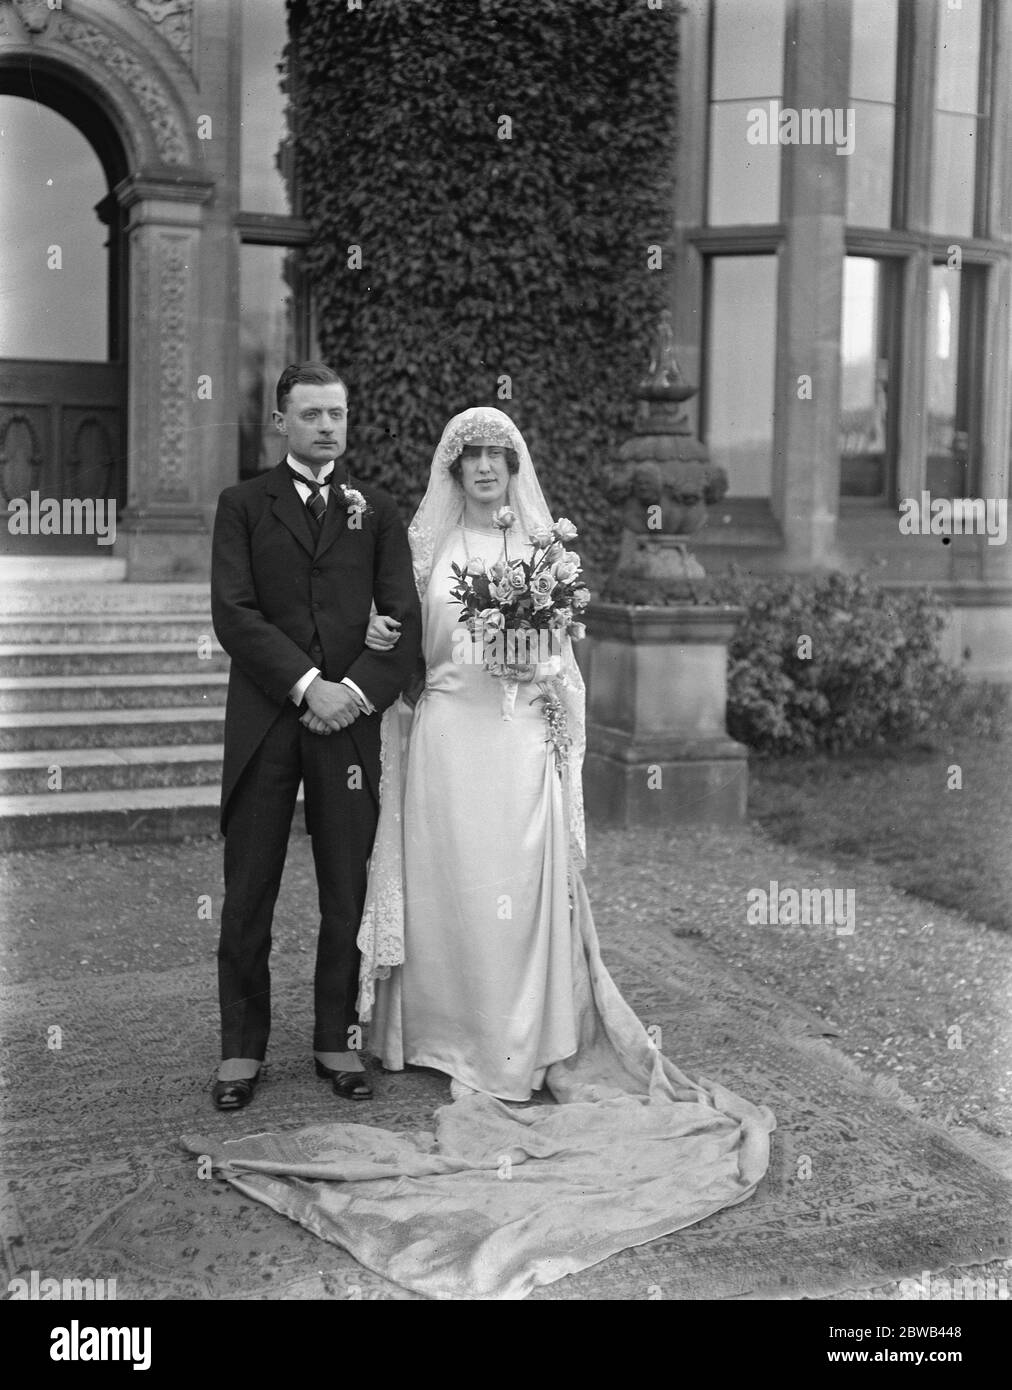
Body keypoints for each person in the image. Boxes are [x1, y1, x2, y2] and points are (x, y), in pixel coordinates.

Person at [185, 406, 774, 1299]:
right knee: (376, 886)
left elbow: (544, 658)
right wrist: (350, 669)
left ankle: (475, 1041)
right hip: (424, 734)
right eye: (471, 457)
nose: (486, 468)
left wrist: (529, 659)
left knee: (440, 888)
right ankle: (334, 1041)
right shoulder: (405, 536)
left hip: (506, 741)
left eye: (498, 455)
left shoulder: (514, 542)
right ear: (452, 470)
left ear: (514, 465)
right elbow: (377, 623)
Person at [208, 361, 421, 1111]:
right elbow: (235, 614)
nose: (327, 426)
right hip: (269, 720)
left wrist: (354, 693)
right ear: (281, 421)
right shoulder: (241, 505)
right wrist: (309, 686)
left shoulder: (379, 510)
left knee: (346, 887)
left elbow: (402, 621)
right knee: (250, 889)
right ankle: (241, 1049)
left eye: (337, 413)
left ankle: (336, 1037)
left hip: (349, 730)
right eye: (311, 414)